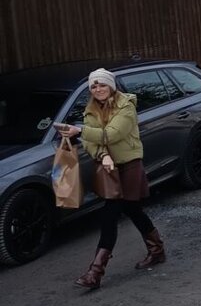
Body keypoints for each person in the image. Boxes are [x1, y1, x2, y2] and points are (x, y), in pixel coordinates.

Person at [59, 68, 163, 290]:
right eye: (94, 86)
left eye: (102, 85)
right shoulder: (91, 109)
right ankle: (96, 273)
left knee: (130, 209)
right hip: (108, 168)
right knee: (113, 213)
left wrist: (79, 130)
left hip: (129, 165)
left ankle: (153, 252)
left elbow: (113, 134)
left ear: (111, 86)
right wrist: (103, 155)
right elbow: (92, 143)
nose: (98, 89)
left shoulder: (126, 106)